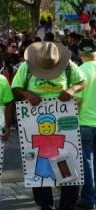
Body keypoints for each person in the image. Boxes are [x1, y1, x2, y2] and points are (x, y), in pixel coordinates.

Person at [11, 41, 86, 210]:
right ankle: (45, 204)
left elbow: (83, 81)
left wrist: (72, 90)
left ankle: (67, 203)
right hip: (34, 123)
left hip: (64, 124)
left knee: (68, 160)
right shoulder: (26, 67)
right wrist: (26, 93)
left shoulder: (68, 66)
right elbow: (15, 88)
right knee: (38, 164)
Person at [75, 38, 96, 209]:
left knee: (87, 163)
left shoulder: (80, 72)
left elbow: (78, 102)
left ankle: (88, 198)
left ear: (80, 54)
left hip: (85, 123)